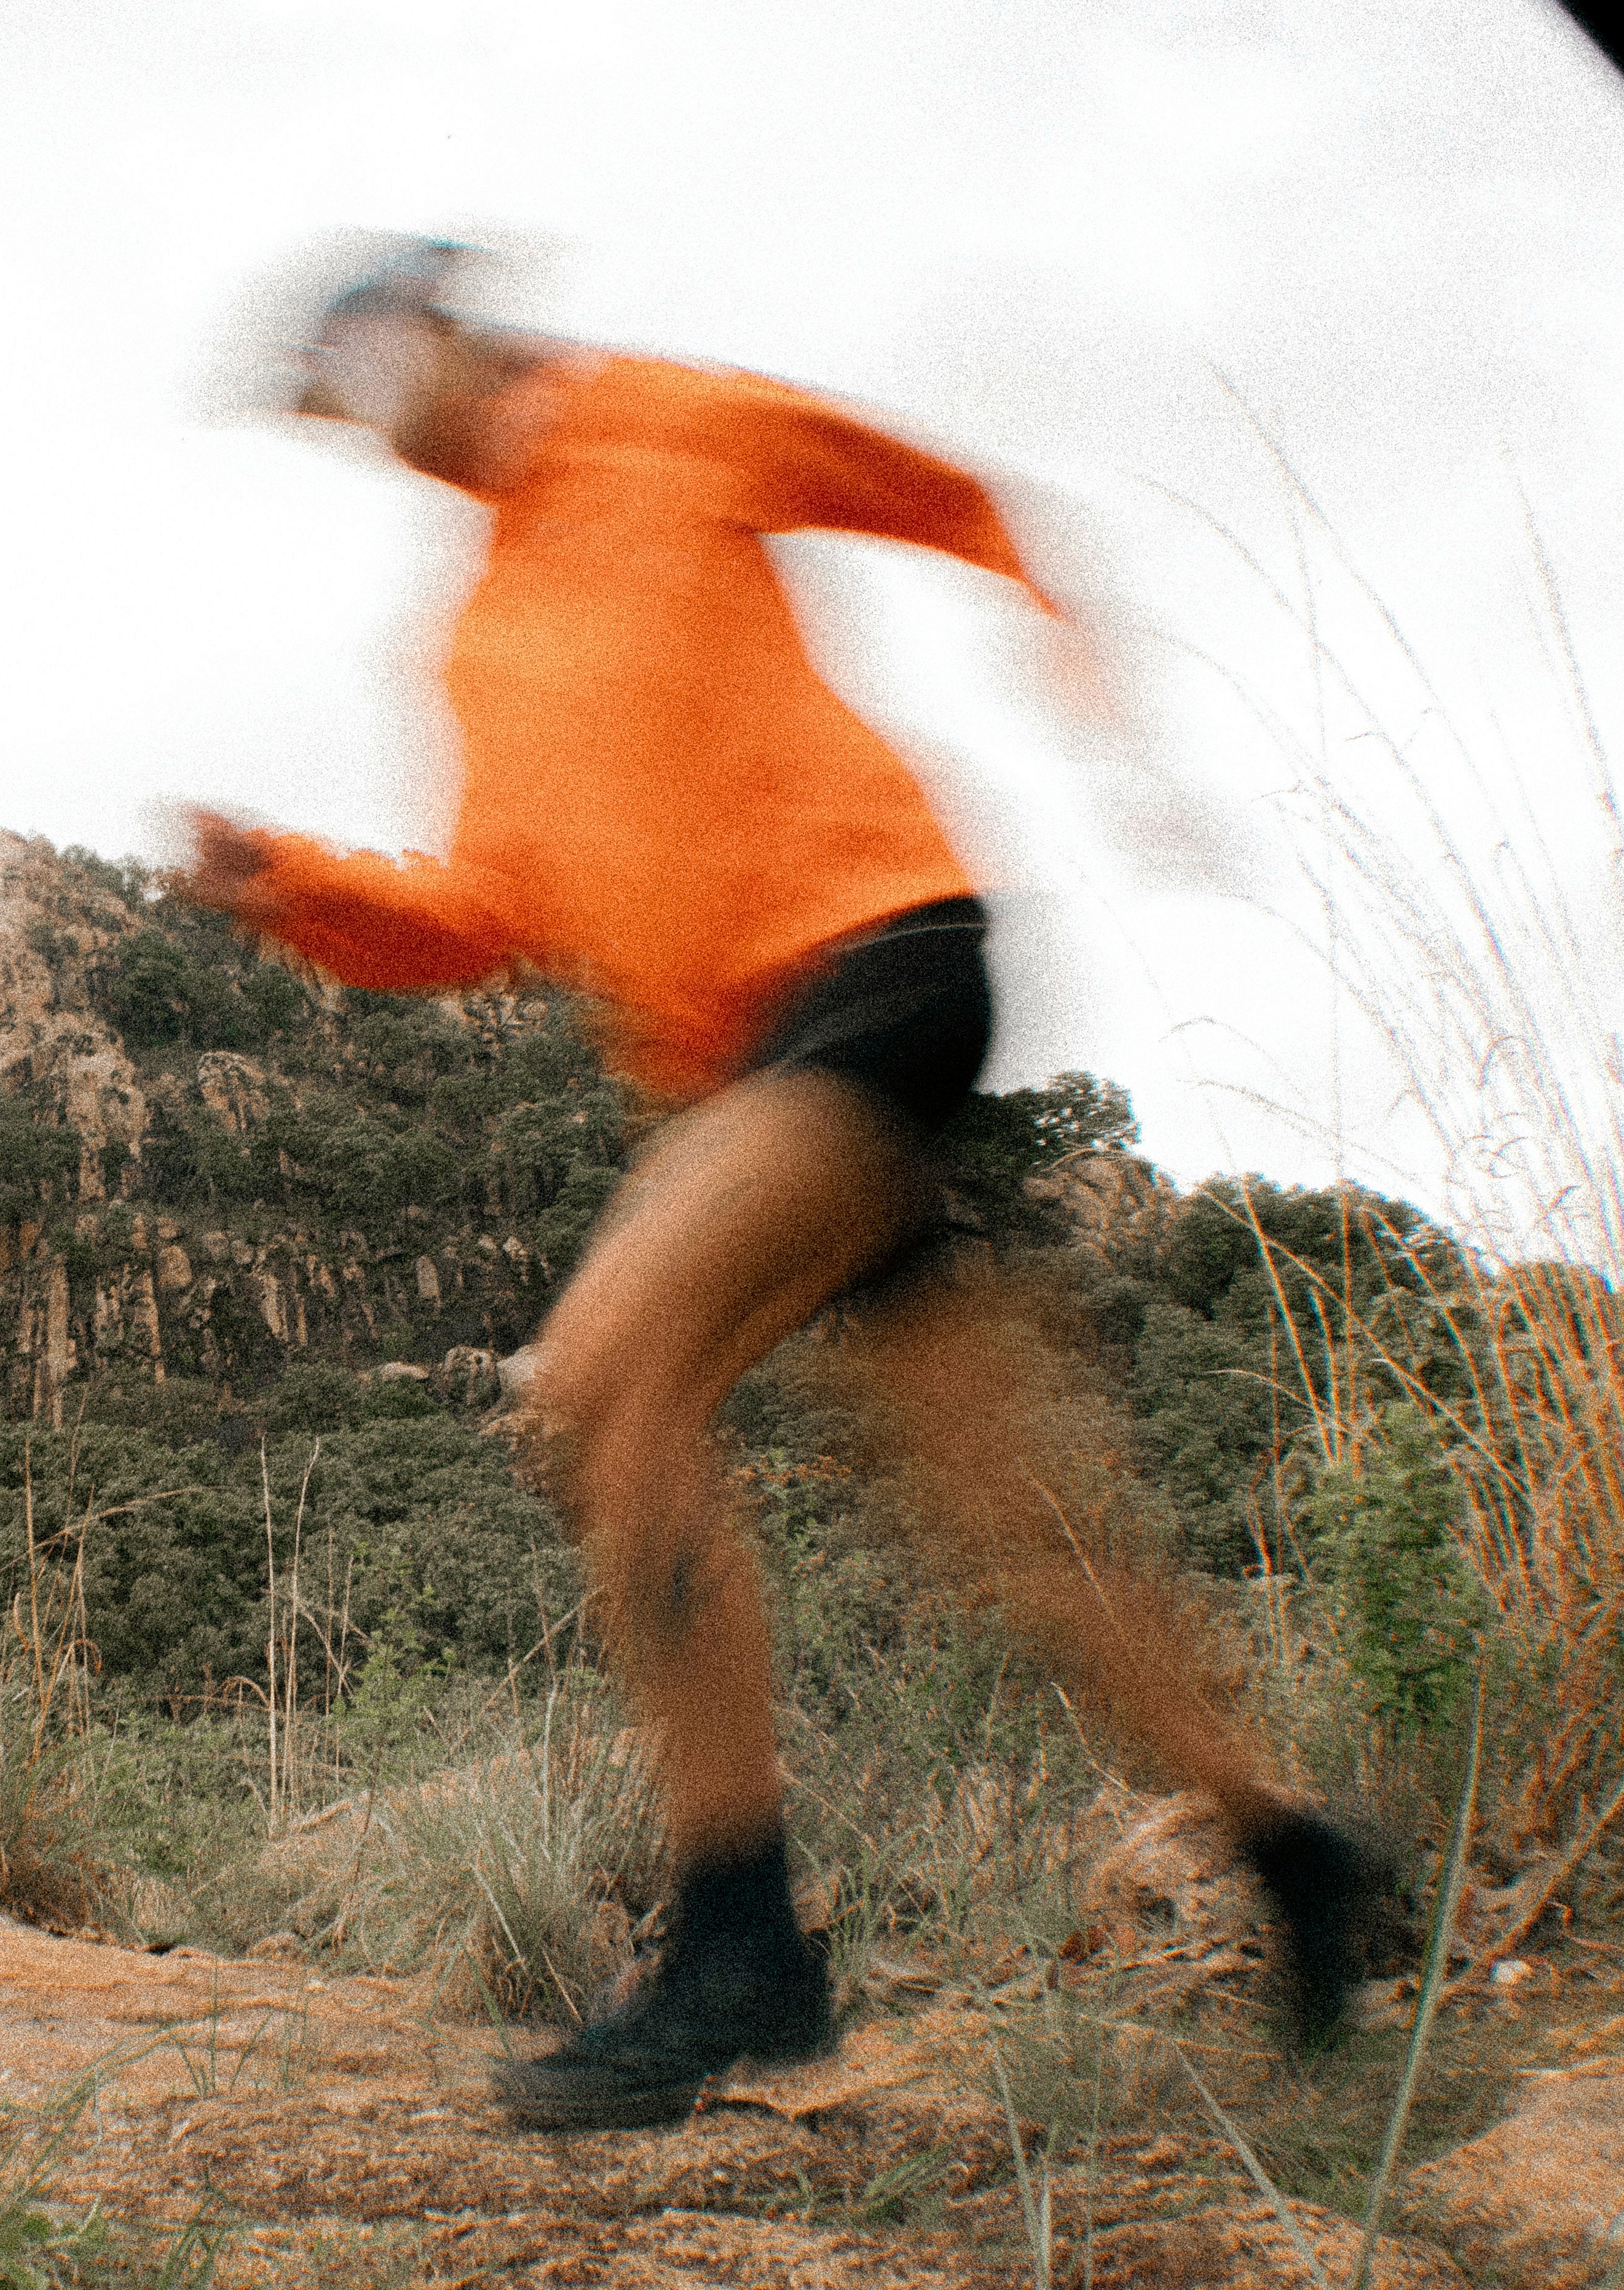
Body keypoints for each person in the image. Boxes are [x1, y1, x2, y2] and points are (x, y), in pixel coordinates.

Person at [165, 237, 1378, 2133]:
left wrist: (1087, 680)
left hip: (879, 968)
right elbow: (489, 913)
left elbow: (951, 493)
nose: (360, 428)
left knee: (607, 1380)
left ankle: (746, 1955)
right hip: (743, 1067)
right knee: (1019, 1527)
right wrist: (299, 888)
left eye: (354, 374)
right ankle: (1294, 1843)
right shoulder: (469, 637)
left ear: (431, 326)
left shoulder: (665, 420)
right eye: (330, 411)